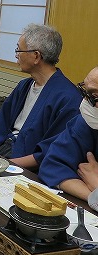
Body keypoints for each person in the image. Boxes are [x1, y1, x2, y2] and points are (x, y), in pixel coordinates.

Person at [0, 24, 80, 170]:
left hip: (25, 164)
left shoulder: (68, 98)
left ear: (36, 56)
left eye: (19, 49)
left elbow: (52, 150)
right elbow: (0, 125)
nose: (16, 54)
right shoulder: (24, 85)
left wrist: (8, 165)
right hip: (1, 152)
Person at [39, 67, 98, 205]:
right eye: (85, 92)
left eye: (94, 96)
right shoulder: (86, 123)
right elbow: (51, 166)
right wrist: (93, 197)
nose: (85, 102)